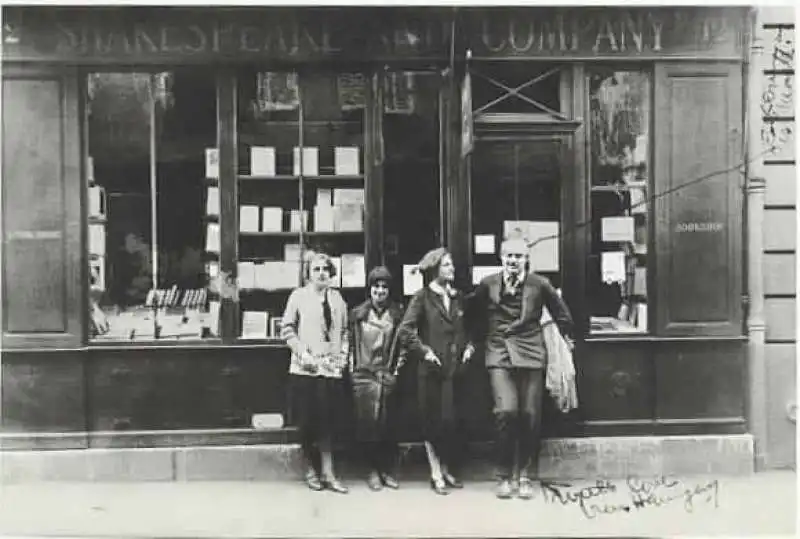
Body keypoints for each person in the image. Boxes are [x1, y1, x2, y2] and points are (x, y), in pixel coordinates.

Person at [468, 237, 574, 500]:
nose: (513, 261)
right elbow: (471, 312)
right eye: (508, 256)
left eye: (518, 256)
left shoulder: (540, 284)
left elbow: (562, 314)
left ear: (526, 259)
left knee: (529, 415)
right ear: (501, 258)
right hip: (499, 352)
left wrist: (567, 341)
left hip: (530, 353)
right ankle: (503, 475)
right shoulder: (488, 284)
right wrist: (472, 341)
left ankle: (525, 475)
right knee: (506, 411)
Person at [397, 247, 475, 496]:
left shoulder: (458, 297)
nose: (452, 268)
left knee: (451, 422)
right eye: (446, 265)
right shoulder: (422, 297)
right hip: (432, 371)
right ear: (434, 270)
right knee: (432, 422)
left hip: (455, 371)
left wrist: (470, 347)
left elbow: (470, 328)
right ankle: (435, 472)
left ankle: (447, 468)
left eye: (451, 264)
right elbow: (405, 331)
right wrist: (425, 351)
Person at [281, 250, 350, 494]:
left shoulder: (338, 299)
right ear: (308, 274)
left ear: (331, 273)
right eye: (316, 270)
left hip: (330, 371)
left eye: (325, 269)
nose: (321, 274)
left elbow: (344, 332)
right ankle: (311, 471)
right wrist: (303, 354)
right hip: (305, 371)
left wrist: (343, 356)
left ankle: (329, 474)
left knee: (328, 425)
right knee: (307, 424)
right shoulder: (298, 297)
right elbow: (287, 329)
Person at [348, 266, 405, 491]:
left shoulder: (398, 314)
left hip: (386, 374)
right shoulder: (358, 314)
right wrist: (353, 371)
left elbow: (403, 347)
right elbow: (351, 344)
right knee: (367, 425)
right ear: (369, 289)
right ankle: (371, 470)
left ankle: (386, 470)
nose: (380, 291)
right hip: (364, 375)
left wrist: (396, 371)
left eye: (384, 287)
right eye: (376, 287)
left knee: (388, 425)